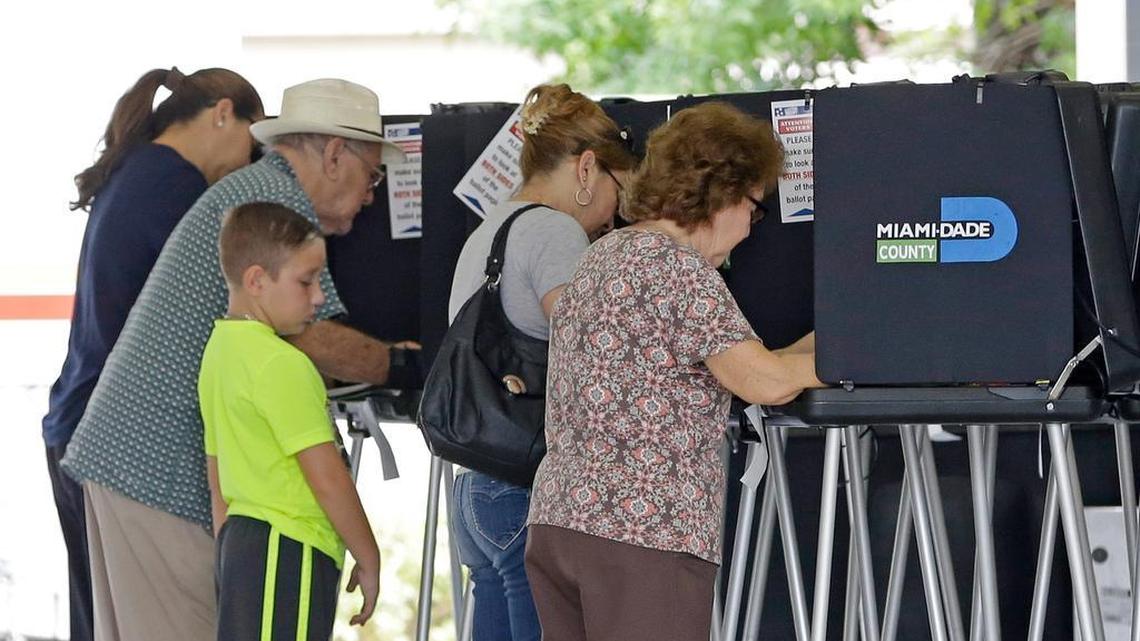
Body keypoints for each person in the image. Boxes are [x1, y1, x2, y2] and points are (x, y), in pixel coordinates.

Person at [61, 78, 417, 641]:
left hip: (134, 464)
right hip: (154, 474)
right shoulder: (273, 208)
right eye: (371, 175)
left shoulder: (256, 191)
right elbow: (314, 337)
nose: (372, 194)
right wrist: (406, 365)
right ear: (332, 155)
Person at [524, 101, 824, 641]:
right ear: (725, 191)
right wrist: (860, 361)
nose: (751, 230)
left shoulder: (608, 253)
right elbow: (764, 381)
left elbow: (750, 362)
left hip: (561, 521)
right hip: (643, 532)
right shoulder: (678, 268)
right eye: (755, 210)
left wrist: (831, 344)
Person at [42, 66, 263, 641]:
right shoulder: (175, 186)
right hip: (110, 432)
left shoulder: (136, 170)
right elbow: (213, 306)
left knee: (100, 621)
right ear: (221, 114)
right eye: (251, 137)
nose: (249, 160)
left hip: (77, 417)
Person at [446, 83, 637, 641]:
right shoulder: (553, 231)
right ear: (586, 168)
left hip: (475, 487)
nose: (614, 217)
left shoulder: (488, 230)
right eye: (618, 191)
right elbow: (593, 353)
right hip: (525, 487)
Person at [202, 202, 379, 641]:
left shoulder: (219, 352)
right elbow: (327, 478)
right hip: (289, 547)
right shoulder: (282, 363)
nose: (319, 296)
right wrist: (368, 554)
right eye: (307, 281)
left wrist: (227, 556)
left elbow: (217, 477)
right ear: (257, 281)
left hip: (242, 546)